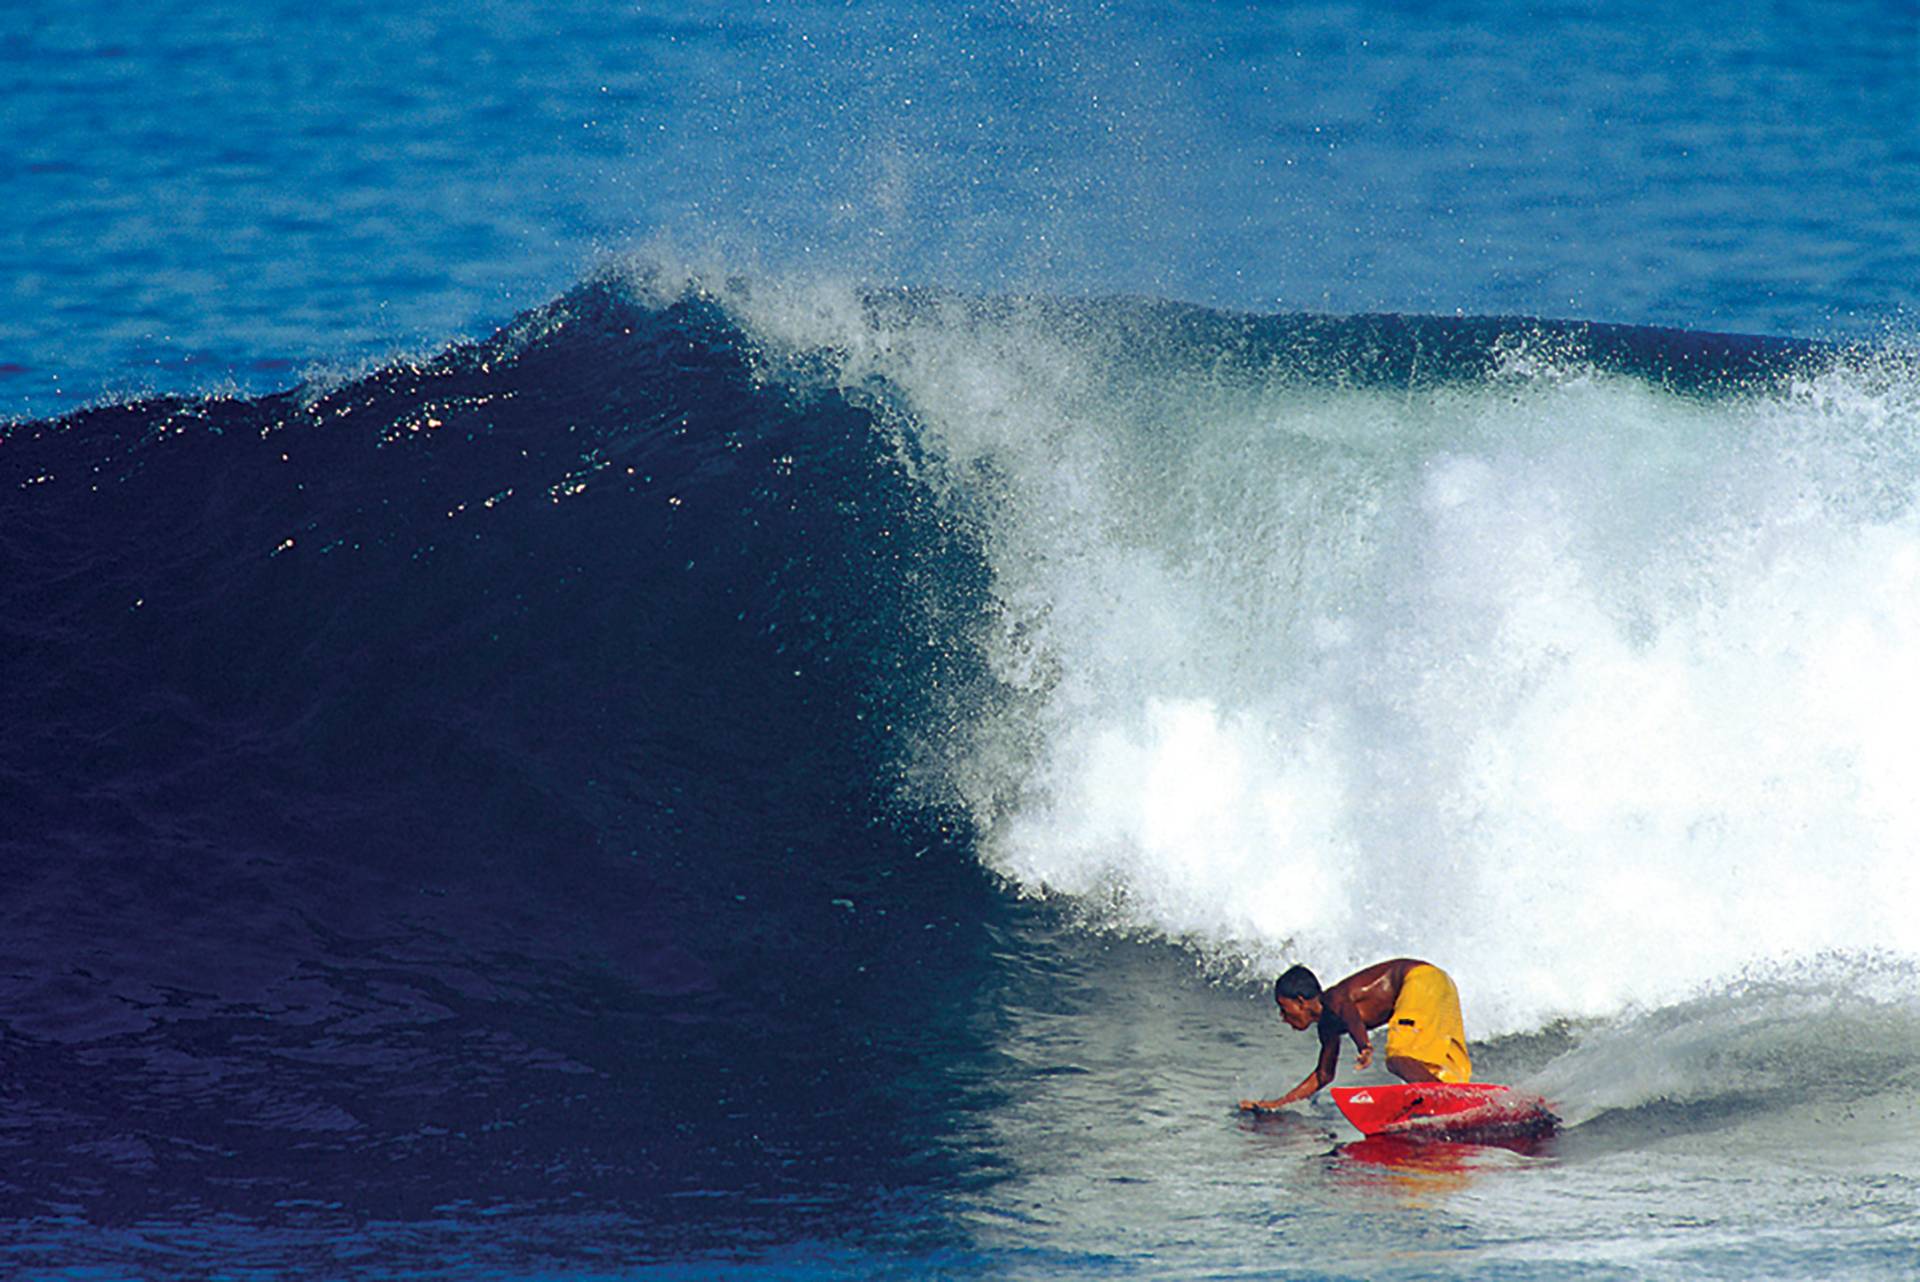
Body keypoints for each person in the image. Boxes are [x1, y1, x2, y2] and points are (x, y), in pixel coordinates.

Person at [1237, 957, 1472, 1112]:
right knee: (1432, 1066)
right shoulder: (1327, 1026)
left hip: (1419, 980)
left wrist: (1364, 1046)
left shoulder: (1333, 998)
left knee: (1399, 1059)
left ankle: (1448, 1106)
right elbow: (1324, 1075)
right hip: (1441, 983)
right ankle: (1461, 1103)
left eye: (1283, 1008)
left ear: (1300, 1001)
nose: (1282, 1016)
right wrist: (1276, 1105)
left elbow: (1349, 1011)